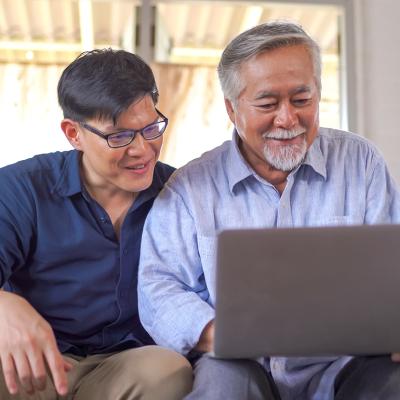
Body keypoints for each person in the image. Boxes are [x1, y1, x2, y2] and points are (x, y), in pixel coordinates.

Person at [138, 21, 400, 400]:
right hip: (238, 361)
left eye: (301, 99)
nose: (287, 119)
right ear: (232, 109)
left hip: (344, 361)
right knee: (221, 388)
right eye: (267, 103)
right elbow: (157, 286)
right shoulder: (190, 187)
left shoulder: (362, 163)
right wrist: (222, 334)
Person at [0, 49, 193, 399]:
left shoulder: (182, 195)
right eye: (119, 137)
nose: (143, 150)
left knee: (169, 370)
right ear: (73, 133)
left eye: (151, 128)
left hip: (126, 368)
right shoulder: (22, 188)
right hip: (37, 366)